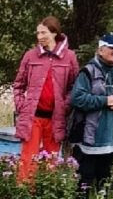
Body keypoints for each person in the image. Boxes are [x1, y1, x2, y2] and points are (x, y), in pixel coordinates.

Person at [69, 33, 113, 197]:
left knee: (104, 185)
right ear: (100, 50)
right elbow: (77, 99)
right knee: (83, 185)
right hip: (89, 140)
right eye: (112, 47)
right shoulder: (87, 72)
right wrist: (104, 100)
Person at [13, 16, 79, 184]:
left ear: (54, 33)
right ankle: (25, 196)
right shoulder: (30, 56)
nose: (39, 36)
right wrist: (22, 106)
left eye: (43, 32)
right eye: (38, 33)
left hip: (55, 118)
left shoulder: (69, 57)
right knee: (28, 160)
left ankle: (46, 198)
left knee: (51, 160)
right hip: (32, 117)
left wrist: (65, 106)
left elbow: (74, 87)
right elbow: (18, 85)